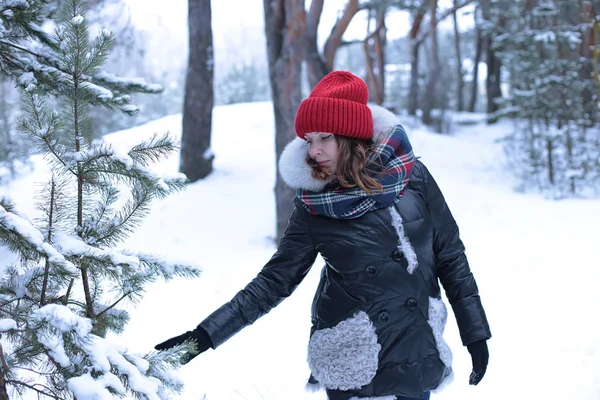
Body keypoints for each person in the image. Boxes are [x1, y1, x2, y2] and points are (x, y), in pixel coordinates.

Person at [155, 71, 491, 400]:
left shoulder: (412, 174)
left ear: (351, 135)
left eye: (325, 137)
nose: (314, 150)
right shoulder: (314, 202)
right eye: (309, 139)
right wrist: (203, 336)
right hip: (353, 355)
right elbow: (274, 281)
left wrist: (474, 332)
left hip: (416, 347)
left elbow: (450, 255)